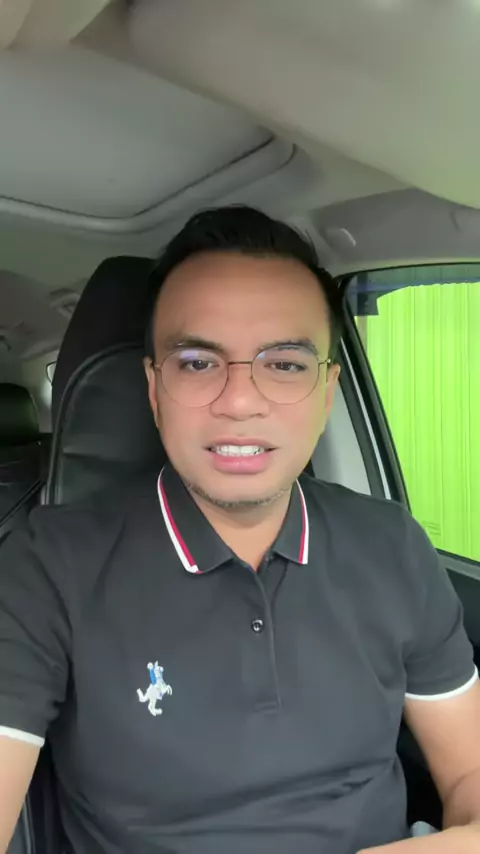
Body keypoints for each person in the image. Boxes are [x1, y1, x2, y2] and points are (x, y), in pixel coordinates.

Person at [0, 206, 479, 854]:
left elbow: (469, 771)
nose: (240, 401)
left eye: (284, 364)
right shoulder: (49, 563)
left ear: (327, 390)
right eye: (198, 363)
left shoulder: (392, 544)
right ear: (154, 390)